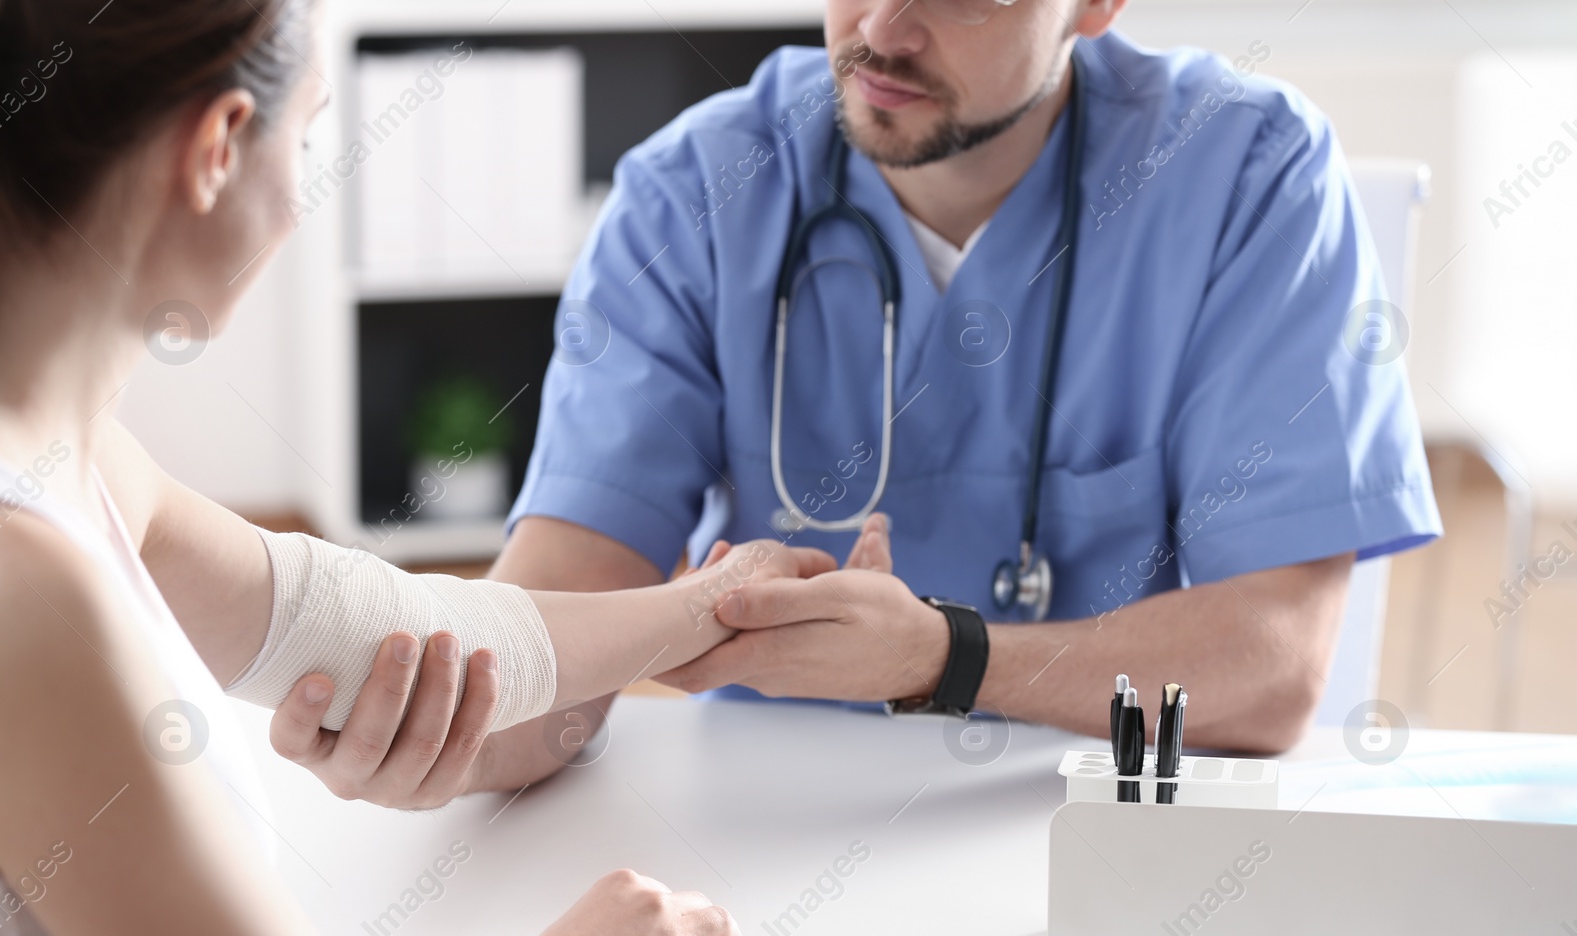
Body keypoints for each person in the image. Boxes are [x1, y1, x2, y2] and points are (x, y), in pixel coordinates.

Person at [280, 0, 1440, 818]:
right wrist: (432, 725)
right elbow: (550, 645)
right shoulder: (694, 194)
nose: (883, 28)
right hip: (763, 863)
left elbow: (1271, 667)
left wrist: (944, 657)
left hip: (1104, 847)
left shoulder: (1244, 176)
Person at [0, 1, 837, 936]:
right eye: (305, 138)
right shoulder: (16, 592)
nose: (302, 202)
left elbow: (394, 624)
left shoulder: (72, 462)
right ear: (214, 150)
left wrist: (709, 604)